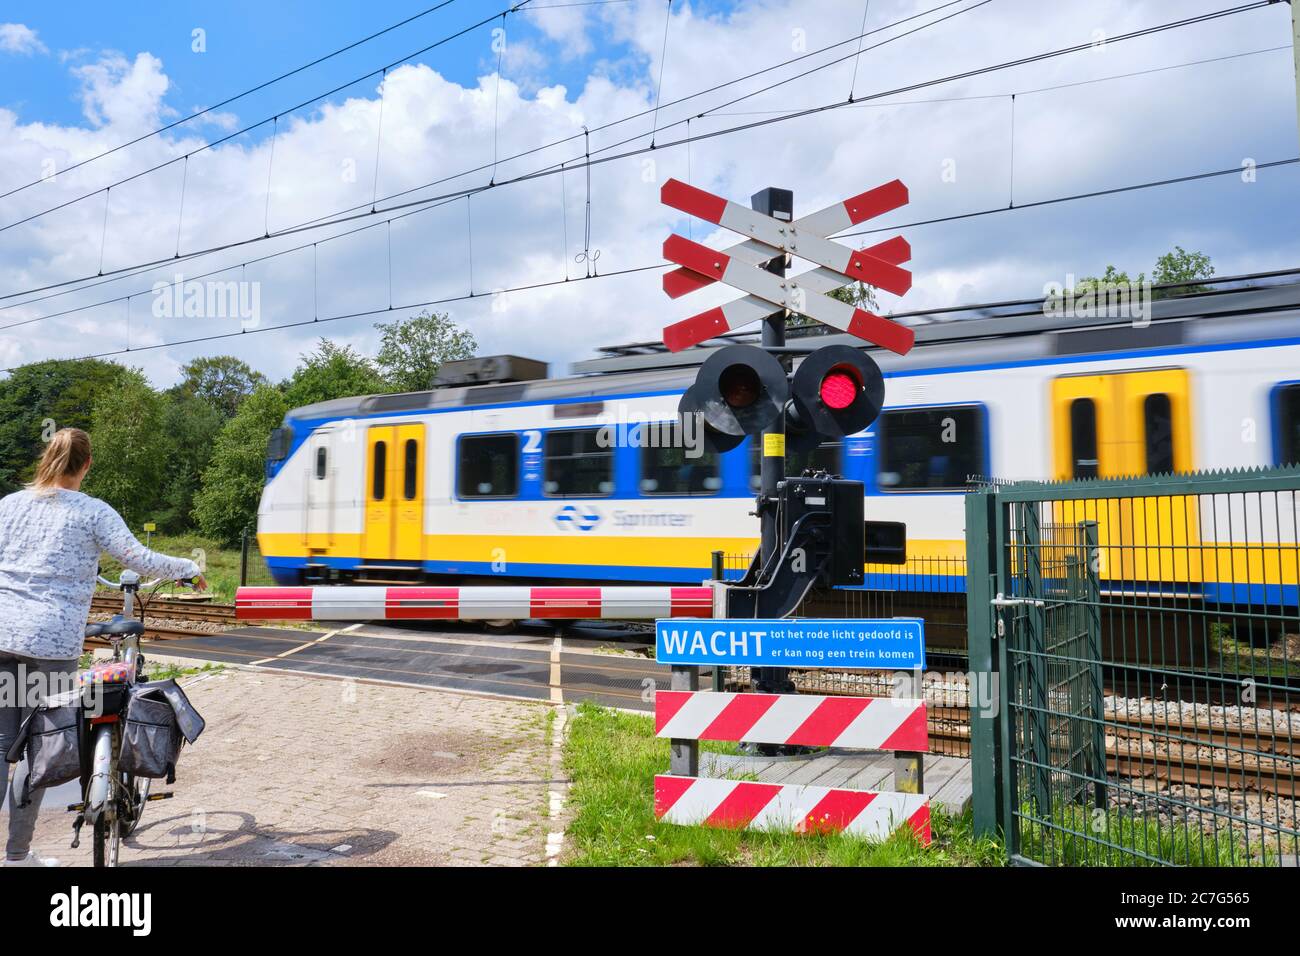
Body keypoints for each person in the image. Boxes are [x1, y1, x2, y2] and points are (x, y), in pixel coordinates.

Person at [0, 428, 206, 866]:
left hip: (1, 635)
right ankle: (17, 856)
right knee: (37, 748)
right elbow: (140, 559)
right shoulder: (92, 512)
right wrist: (188, 566)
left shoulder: (9, 506)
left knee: (1, 747)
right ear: (87, 465)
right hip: (49, 643)